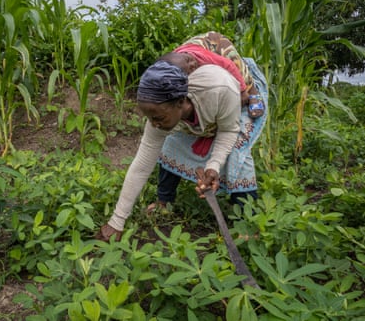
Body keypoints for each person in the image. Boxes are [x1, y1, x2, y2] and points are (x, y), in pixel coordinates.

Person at [96, 44, 268, 243]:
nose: (153, 124)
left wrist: (213, 166)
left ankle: (248, 221)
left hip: (240, 100)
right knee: (171, 145)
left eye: (157, 118)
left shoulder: (220, 88)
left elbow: (228, 130)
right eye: (149, 117)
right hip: (199, 112)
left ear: (180, 102)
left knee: (237, 155)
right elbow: (142, 165)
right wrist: (117, 221)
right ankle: (164, 201)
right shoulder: (161, 105)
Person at [170, 31, 265, 119]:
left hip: (215, 42)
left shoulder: (200, 58)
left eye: (188, 60)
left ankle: (254, 92)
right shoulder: (172, 71)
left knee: (234, 62)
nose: (192, 64)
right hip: (188, 49)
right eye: (189, 69)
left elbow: (229, 65)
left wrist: (243, 91)